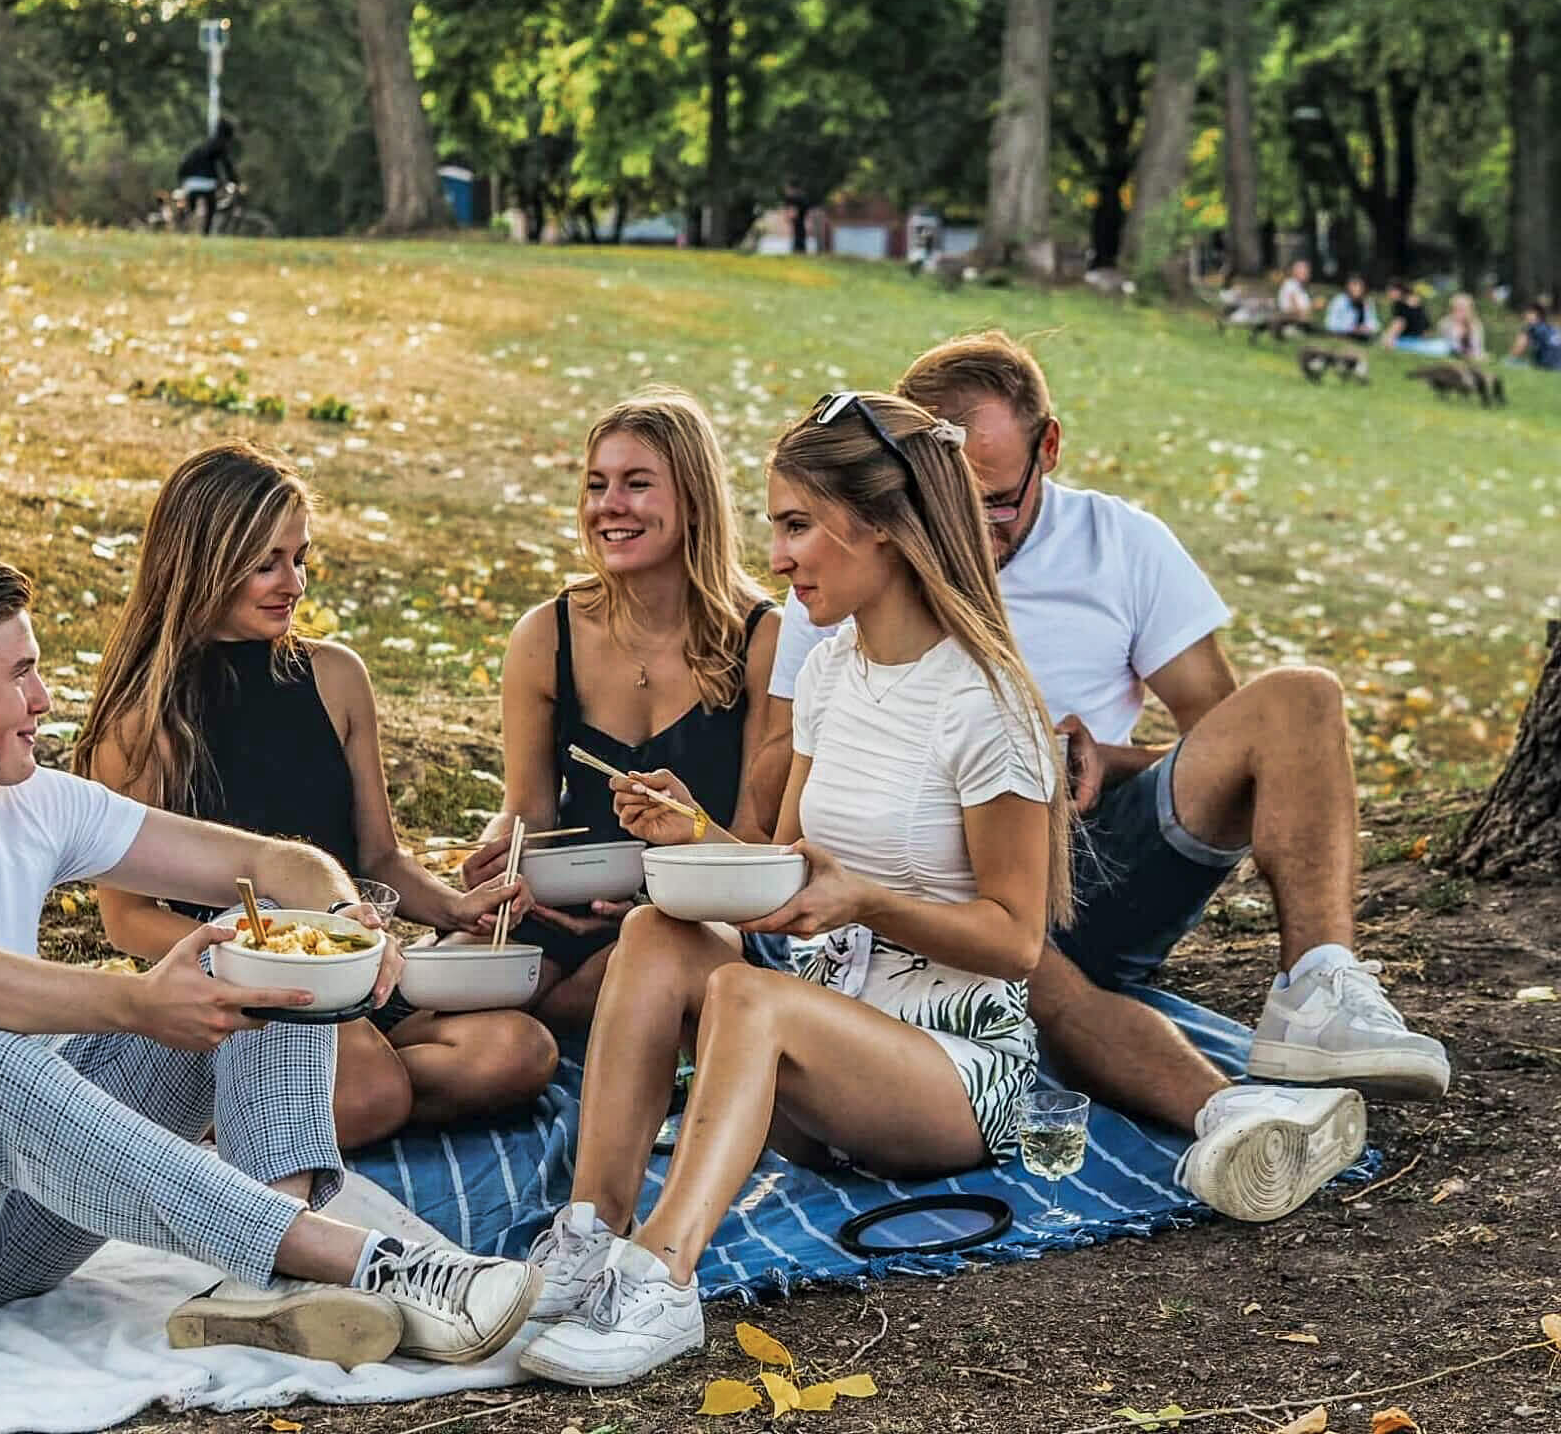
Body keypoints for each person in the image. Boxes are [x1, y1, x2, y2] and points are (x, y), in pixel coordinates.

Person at [0, 551, 540, 1365]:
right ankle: (368, 1263)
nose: (45, 697)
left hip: (6, 1236)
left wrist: (338, 913)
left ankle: (268, 1274)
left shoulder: (24, 803)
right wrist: (131, 1004)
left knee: (257, 948)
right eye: (20, 673)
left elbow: (272, 866)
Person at [751, 331, 1449, 1222]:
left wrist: (1104, 758)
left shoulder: (1120, 544)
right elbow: (793, 769)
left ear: (1049, 447)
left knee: (1298, 699)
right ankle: (1235, 1118)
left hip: (1093, 845)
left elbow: (1227, 744)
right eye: (947, 496)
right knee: (1032, 966)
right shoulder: (841, 581)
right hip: (930, 880)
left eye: (996, 501)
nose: (974, 523)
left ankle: (1320, 984)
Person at [516, 392, 1071, 1387]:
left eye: (797, 526)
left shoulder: (987, 704)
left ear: (887, 528)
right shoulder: (831, 676)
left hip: (955, 1074)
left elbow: (1016, 941)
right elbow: (784, 871)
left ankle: (665, 1275)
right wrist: (691, 830)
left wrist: (864, 901)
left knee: (747, 994)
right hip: (821, 1039)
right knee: (656, 929)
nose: (776, 558)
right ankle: (591, 1232)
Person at [76, 442, 558, 1150]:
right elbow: (126, 920)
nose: (294, 583)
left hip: (356, 971)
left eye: (300, 558)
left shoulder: (335, 677)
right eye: (267, 562)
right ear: (201, 564)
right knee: (373, 1090)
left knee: (520, 1050)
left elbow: (381, 859)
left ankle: (257, 1120)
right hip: (236, 995)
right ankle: (285, 1105)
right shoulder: (142, 722)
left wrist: (457, 909)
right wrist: (264, 966)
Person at [456, 387, 782, 1027]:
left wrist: (652, 887)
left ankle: (546, 1036)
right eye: (596, 485)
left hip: (691, 916)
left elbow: (756, 846)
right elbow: (525, 810)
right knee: (455, 979)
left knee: (583, 988)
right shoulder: (548, 634)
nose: (610, 507)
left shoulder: (760, 640)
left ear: (692, 502)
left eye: (637, 484)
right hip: (565, 907)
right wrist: (500, 860)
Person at [176, 119, 239, 235]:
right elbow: (227, 166)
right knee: (211, 208)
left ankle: (181, 229)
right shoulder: (220, 146)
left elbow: (185, 164)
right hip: (208, 183)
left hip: (191, 182)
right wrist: (235, 181)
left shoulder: (202, 147)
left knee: (190, 209)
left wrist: (181, 179)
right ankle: (205, 233)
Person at [1383, 280, 1447, 355]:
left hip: (1407, 342)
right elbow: (1426, 328)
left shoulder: (1400, 305)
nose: (1388, 294)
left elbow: (1398, 324)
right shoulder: (1418, 304)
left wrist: (1387, 339)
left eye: (1390, 291)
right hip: (1419, 341)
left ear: (1398, 291)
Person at [1323, 274, 1381, 342]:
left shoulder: (1367, 302)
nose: (1358, 289)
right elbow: (1330, 324)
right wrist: (1351, 329)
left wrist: (1366, 328)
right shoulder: (1339, 301)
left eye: (1361, 286)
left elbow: (1374, 324)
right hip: (1341, 338)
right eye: (1355, 285)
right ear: (1348, 287)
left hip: (1361, 339)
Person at [1508, 299, 1561, 370]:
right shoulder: (1553, 328)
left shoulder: (1532, 328)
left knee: (1510, 363)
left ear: (1533, 314)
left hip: (1547, 366)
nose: (1523, 315)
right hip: (1558, 367)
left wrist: (1509, 359)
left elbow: (1518, 349)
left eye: (1526, 312)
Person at [1440, 292, 1487, 361]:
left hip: (1471, 353)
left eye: (1462, 309)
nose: (1459, 312)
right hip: (1450, 351)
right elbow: (1447, 344)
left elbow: (1477, 346)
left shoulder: (1476, 325)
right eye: (1457, 308)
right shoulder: (1446, 322)